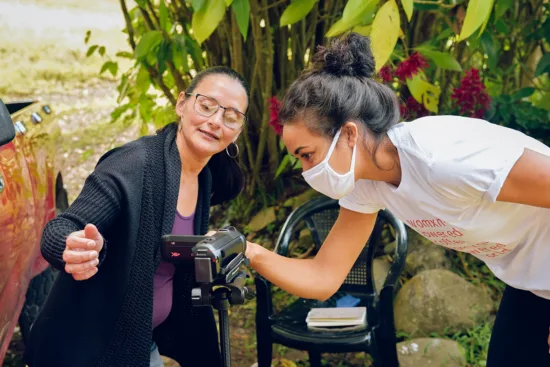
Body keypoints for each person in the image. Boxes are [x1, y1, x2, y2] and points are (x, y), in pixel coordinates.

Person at [244, 32, 550, 367]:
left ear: (349, 134)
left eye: (307, 155)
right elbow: (324, 277)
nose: (305, 170)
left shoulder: (443, 160)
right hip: (530, 284)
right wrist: (248, 252)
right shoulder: (367, 184)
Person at [25, 66, 249, 367]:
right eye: (206, 106)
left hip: (142, 340)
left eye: (231, 116)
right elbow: (62, 227)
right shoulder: (134, 165)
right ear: (181, 104)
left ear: (238, 130)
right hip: (91, 348)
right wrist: (72, 246)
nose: (215, 122)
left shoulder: (206, 175)